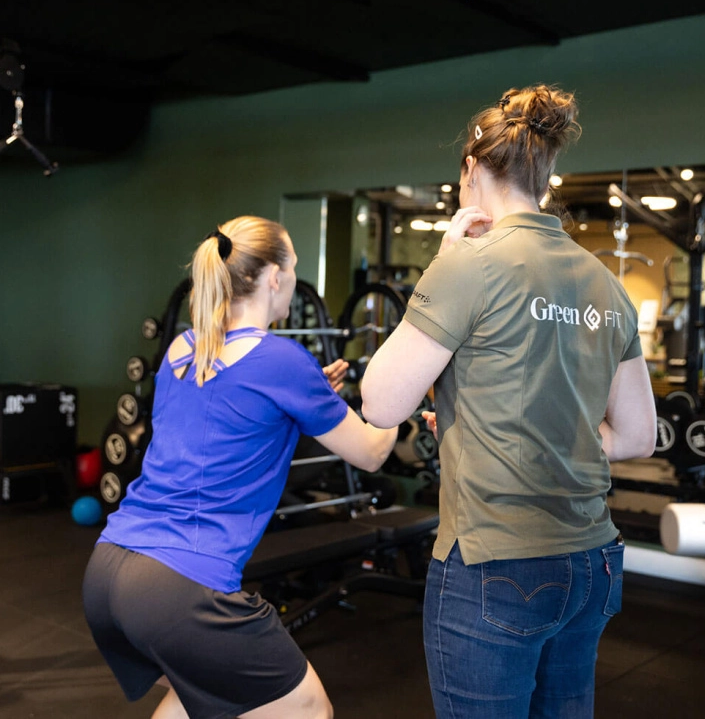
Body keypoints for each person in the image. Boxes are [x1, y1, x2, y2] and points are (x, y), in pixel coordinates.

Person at [361, 84, 657, 718]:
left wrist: (444, 257)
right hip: (592, 562)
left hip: (497, 563)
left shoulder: (468, 262)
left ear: (470, 170)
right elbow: (636, 437)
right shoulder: (605, 282)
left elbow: (381, 403)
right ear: (545, 179)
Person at [82, 215, 398, 719]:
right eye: (292, 267)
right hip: (178, 588)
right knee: (311, 709)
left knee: (197, 694)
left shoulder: (181, 350)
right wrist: (396, 400)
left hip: (108, 571)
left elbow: (226, 414)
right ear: (275, 276)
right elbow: (374, 452)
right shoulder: (281, 360)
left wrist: (310, 395)